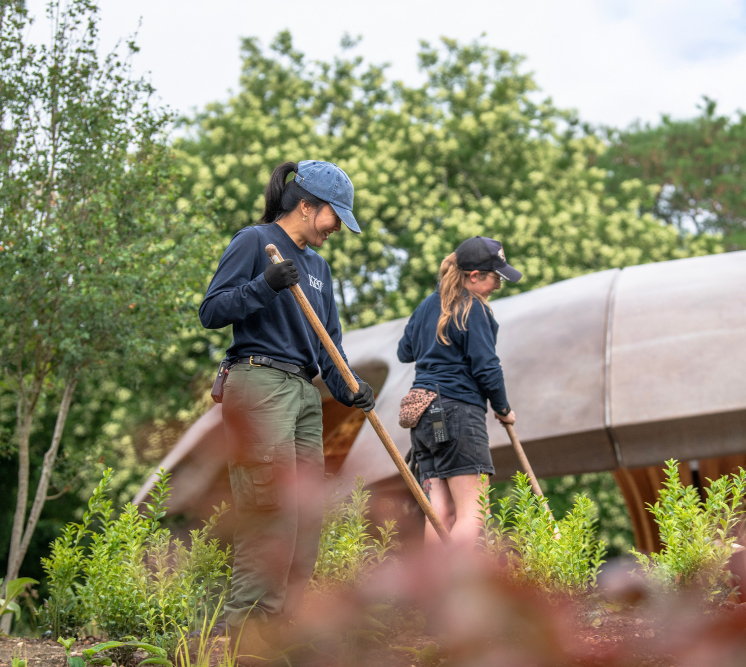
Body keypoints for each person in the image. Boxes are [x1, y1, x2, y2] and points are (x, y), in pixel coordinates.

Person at [199, 160, 374, 654]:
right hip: (259, 384)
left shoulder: (319, 268)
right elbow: (212, 311)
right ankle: (246, 647)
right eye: (334, 216)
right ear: (306, 206)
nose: (337, 227)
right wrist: (265, 285)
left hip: (303, 393)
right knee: (268, 512)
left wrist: (350, 388)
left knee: (303, 518)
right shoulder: (255, 242)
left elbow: (328, 348)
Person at [397, 236, 521, 549]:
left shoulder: (429, 304)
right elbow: (487, 367)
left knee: (440, 512)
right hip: (457, 413)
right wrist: (503, 408)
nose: (498, 286)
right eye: (496, 278)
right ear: (475, 275)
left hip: (426, 415)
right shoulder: (473, 309)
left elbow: (404, 351)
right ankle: (450, 594)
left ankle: (430, 595)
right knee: (474, 513)